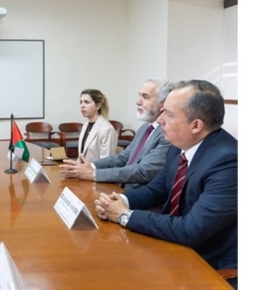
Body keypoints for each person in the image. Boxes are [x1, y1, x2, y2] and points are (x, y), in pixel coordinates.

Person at [94, 80, 237, 288]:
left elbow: (191, 230)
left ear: (196, 125)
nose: (159, 120)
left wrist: (125, 215)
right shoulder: (179, 145)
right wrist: (117, 201)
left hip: (209, 265)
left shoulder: (229, 162)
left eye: (168, 114)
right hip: (175, 248)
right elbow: (156, 190)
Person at [60, 79, 174, 191]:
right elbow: (123, 157)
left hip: (138, 195)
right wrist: (90, 166)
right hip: (119, 187)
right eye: (139, 95)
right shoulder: (145, 128)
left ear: (162, 103)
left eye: (145, 97)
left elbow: (143, 171)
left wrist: (93, 174)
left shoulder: (167, 133)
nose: (138, 101)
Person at [74, 88, 117, 163]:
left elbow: (106, 162)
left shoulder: (107, 129)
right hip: (82, 171)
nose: (82, 106)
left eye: (86, 102)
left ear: (98, 106)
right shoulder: (85, 125)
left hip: (95, 173)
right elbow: (82, 154)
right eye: (81, 102)